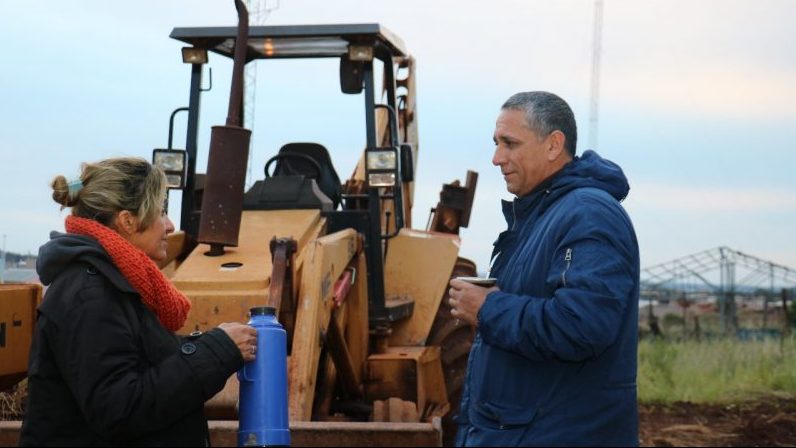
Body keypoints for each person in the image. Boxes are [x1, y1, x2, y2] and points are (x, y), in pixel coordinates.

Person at [20, 157, 258, 446]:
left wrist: (216, 344)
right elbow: (119, 408)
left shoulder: (115, 286)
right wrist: (216, 351)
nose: (170, 225)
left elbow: (141, 359)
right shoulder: (91, 296)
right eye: (160, 212)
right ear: (128, 221)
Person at [448, 92, 640, 446]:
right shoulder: (539, 217)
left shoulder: (587, 215)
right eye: (496, 144)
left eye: (510, 144)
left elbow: (580, 327)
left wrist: (488, 307)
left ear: (554, 145)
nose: (496, 158)